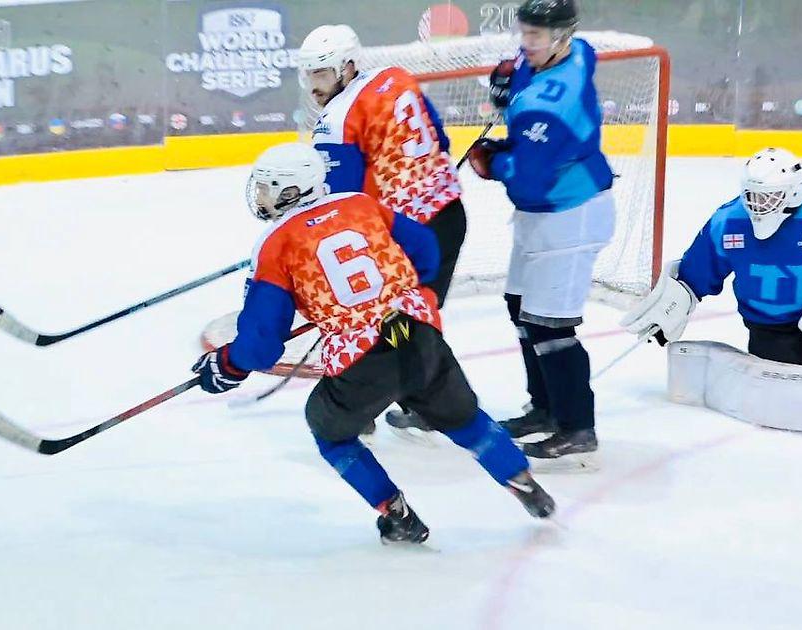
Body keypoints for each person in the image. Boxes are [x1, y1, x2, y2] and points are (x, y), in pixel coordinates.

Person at [191, 142, 555, 543]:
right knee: (463, 417)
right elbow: (425, 246)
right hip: (417, 333)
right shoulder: (360, 204)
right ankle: (521, 479)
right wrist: (410, 294)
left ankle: (398, 516)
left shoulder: (274, 243)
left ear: (291, 190)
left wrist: (228, 364)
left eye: (266, 189)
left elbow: (262, 342)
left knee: (329, 432)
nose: (260, 198)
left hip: (364, 360)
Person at [621, 148, 802, 429]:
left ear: (794, 192)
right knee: (794, 405)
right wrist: (671, 307)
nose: (758, 205)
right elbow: (695, 272)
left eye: (768, 197)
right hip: (774, 326)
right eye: (752, 196)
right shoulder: (727, 221)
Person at [299, 24, 466, 433]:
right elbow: (440, 140)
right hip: (448, 217)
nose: (314, 86)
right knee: (411, 323)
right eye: (309, 74)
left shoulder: (336, 120)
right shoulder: (398, 78)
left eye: (322, 73)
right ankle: (427, 405)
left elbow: (341, 203)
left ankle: (368, 409)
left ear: (348, 66)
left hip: (406, 237)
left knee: (384, 325)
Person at [467, 0, 613, 463]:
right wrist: (510, 87)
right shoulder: (574, 52)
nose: (525, 44)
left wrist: (493, 162)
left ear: (562, 37)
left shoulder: (552, 105)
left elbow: (528, 176)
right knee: (520, 306)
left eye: (535, 36)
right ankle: (545, 409)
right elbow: (575, 56)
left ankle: (577, 427)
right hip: (541, 213)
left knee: (550, 325)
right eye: (524, 33)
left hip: (571, 213)